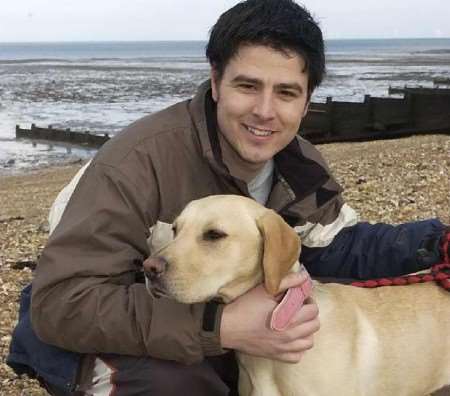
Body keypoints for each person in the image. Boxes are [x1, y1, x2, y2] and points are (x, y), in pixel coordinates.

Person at [8, 0, 449, 395]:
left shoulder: (300, 166)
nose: (265, 111)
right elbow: (62, 304)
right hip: (81, 331)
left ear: (306, 99)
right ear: (216, 83)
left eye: (286, 93)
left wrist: (436, 242)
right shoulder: (131, 165)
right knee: (177, 384)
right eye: (247, 86)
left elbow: (338, 245)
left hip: (203, 321)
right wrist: (220, 328)